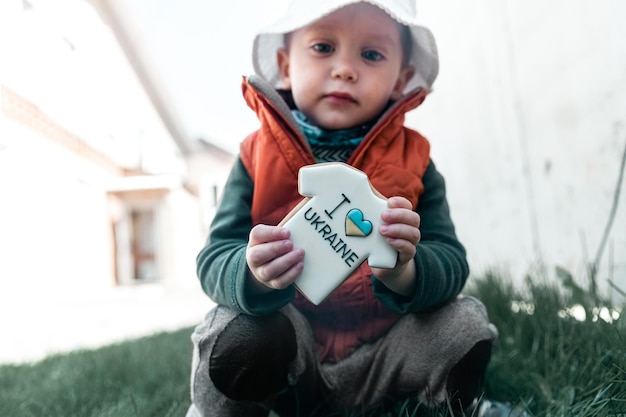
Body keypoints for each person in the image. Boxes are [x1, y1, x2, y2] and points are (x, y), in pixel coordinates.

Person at [186, 1, 528, 416]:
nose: (346, 69)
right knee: (235, 331)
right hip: (293, 352)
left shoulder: (416, 159)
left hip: (388, 351)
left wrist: (406, 271)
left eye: (371, 54)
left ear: (401, 78)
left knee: (464, 323)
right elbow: (214, 257)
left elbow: (452, 260)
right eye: (323, 47)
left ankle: (459, 404)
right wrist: (253, 275)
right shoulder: (255, 155)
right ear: (286, 65)